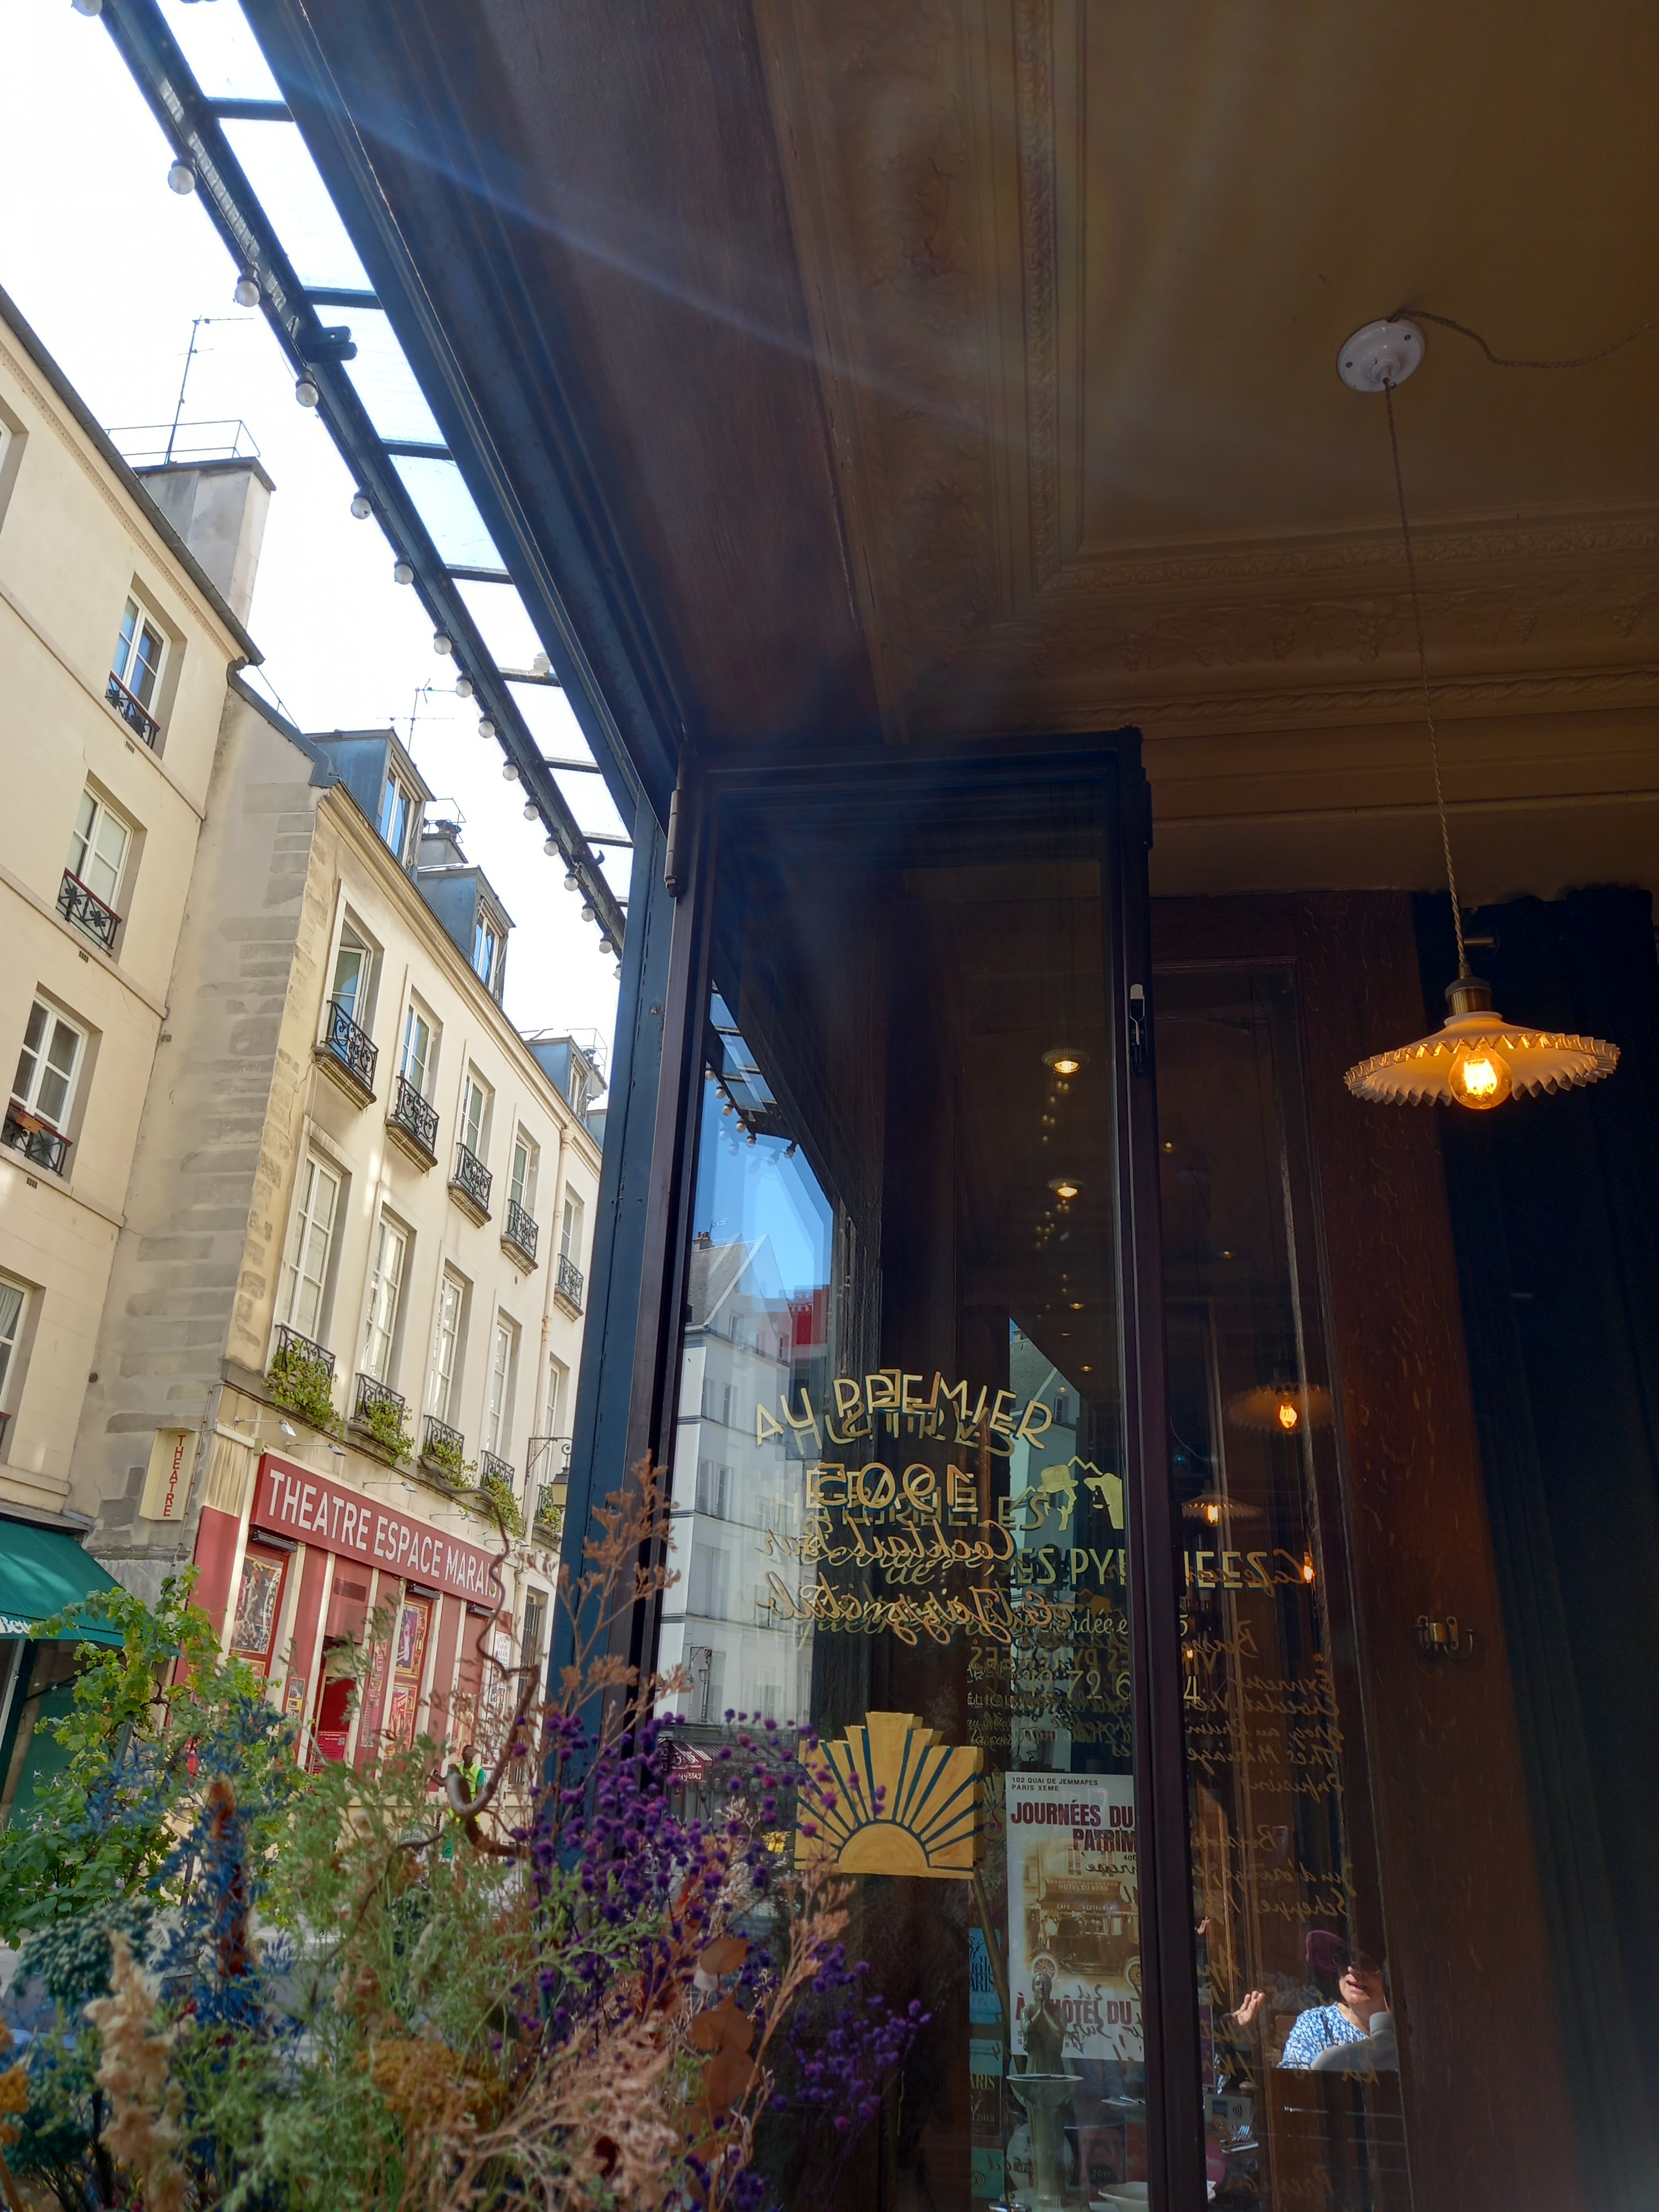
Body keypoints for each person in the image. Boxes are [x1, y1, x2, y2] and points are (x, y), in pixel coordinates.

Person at [1277, 1936, 1391, 2069]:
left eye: (1369, 1963)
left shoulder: (1409, 2030)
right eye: (1346, 1958)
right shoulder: (1317, 2024)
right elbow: (1296, 2081)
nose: (1352, 1969)